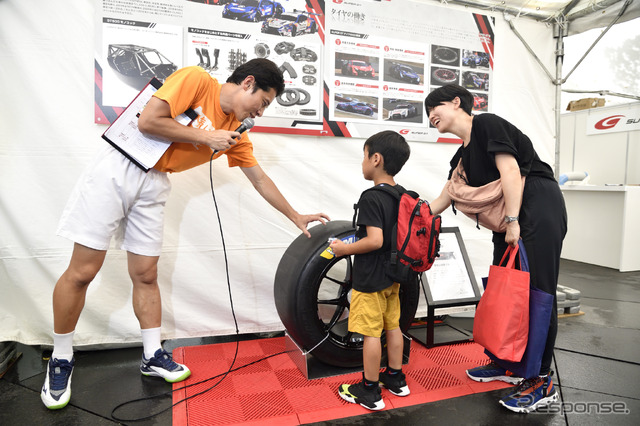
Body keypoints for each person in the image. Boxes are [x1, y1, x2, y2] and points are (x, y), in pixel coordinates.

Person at [41, 59, 329, 410]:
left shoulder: (236, 131)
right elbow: (148, 121)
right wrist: (207, 136)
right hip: (119, 166)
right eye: (264, 102)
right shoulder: (196, 80)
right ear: (248, 83)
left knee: (146, 273)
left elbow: (259, 178)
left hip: (156, 182)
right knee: (83, 272)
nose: (261, 112)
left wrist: (294, 215)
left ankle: (151, 355)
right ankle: (61, 357)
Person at [425, 84, 567, 413]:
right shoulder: (461, 156)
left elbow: (511, 170)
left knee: (538, 292)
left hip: (534, 205)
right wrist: (410, 214)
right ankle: (509, 363)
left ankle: (541, 380)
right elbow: (446, 196)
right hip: (509, 217)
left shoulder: (486, 124)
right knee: (505, 288)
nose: (431, 114)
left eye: (436, 106)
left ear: (457, 102)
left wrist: (515, 220)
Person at [330, 130, 411, 411]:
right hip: (395, 277)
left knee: (370, 333)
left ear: (376, 159)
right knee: (393, 326)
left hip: (371, 279)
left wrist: (343, 249)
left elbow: (374, 240)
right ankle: (396, 378)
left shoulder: (371, 197)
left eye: (363, 156)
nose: (362, 162)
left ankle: (369, 390)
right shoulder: (403, 195)